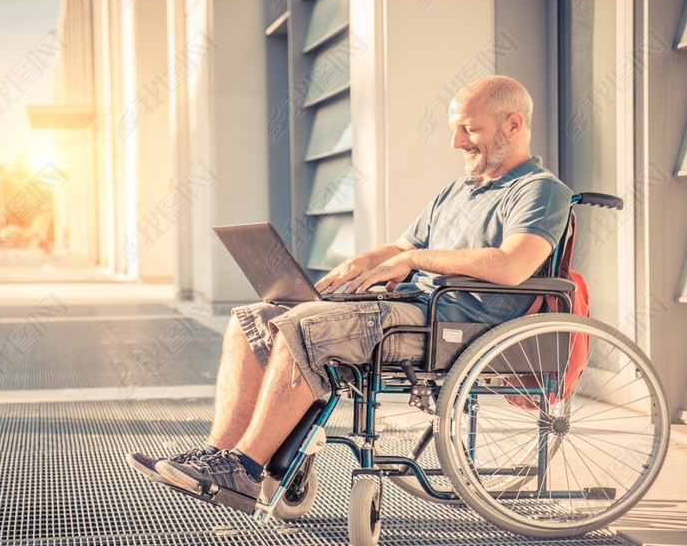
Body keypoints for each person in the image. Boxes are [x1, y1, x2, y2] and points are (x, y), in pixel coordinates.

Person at [127, 75, 573, 513]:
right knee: (256, 317)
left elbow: (513, 265)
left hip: (456, 323)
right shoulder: (457, 191)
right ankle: (218, 458)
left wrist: (415, 262)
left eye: (469, 129)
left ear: (513, 125)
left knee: (304, 324)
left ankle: (245, 467)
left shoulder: (540, 191)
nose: (456, 141)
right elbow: (404, 247)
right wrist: (366, 261)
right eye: (456, 128)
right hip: (413, 309)